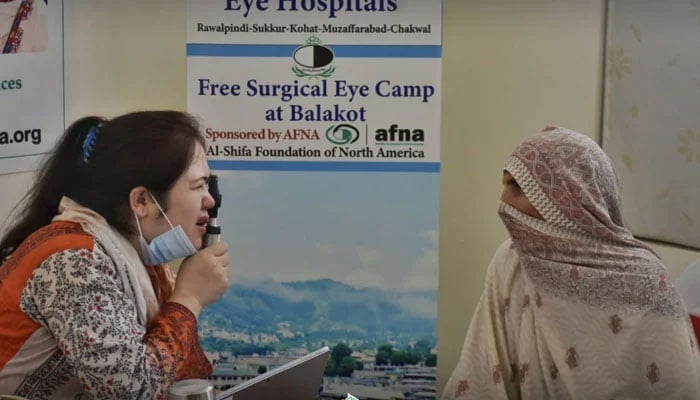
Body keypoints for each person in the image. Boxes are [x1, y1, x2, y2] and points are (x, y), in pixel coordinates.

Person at [442, 126, 700, 399]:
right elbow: (483, 370)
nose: (503, 201)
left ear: (570, 199)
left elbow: (675, 385)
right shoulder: (510, 261)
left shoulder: (646, 281)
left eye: (517, 187)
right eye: (504, 184)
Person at [0, 111, 230, 399]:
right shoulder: (73, 262)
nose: (210, 200)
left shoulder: (140, 260)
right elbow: (129, 392)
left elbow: (184, 379)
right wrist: (189, 300)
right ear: (142, 201)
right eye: (198, 186)